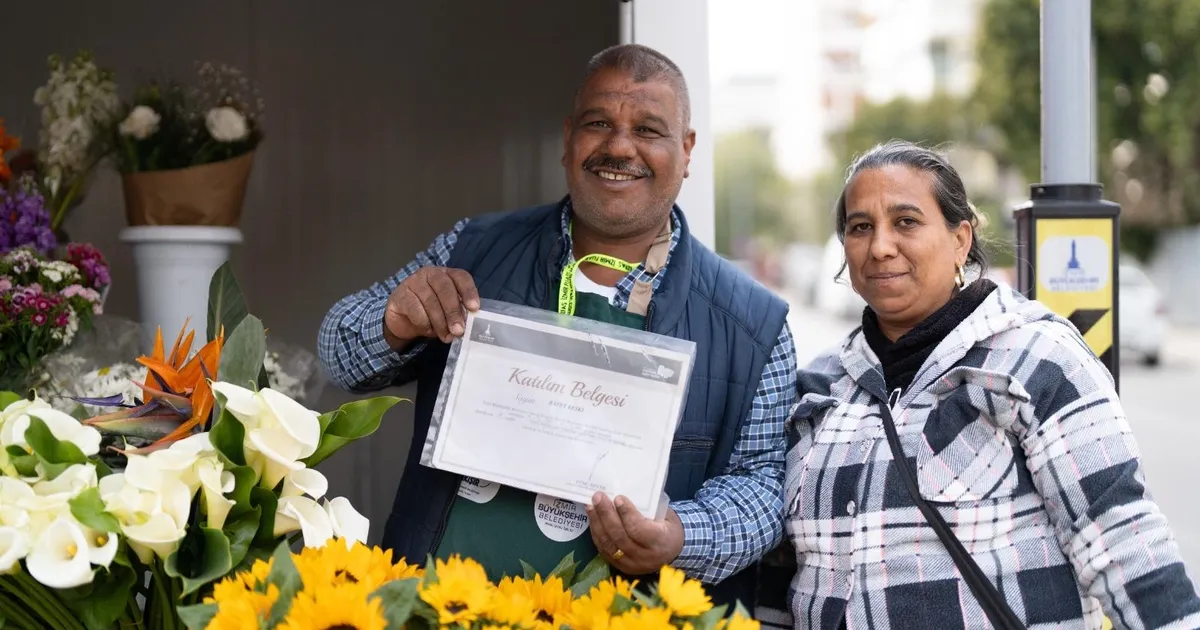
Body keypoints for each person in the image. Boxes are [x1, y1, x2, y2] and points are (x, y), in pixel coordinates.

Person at [317, 43, 796, 606]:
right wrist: (395, 320)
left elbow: (765, 489)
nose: (620, 146)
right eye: (599, 123)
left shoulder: (753, 326)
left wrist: (681, 535)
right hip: (437, 607)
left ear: (686, 150)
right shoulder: (471, 249)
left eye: (647, 129)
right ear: (569, 138)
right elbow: (337, 351)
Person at [780, 140, 1200, 629]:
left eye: (906, 222)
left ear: (960, 240)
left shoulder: (1036, 357)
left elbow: (1123, 541)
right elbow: (781, 574)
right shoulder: (820, 388)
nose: (880, 247)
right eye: (860, 227)